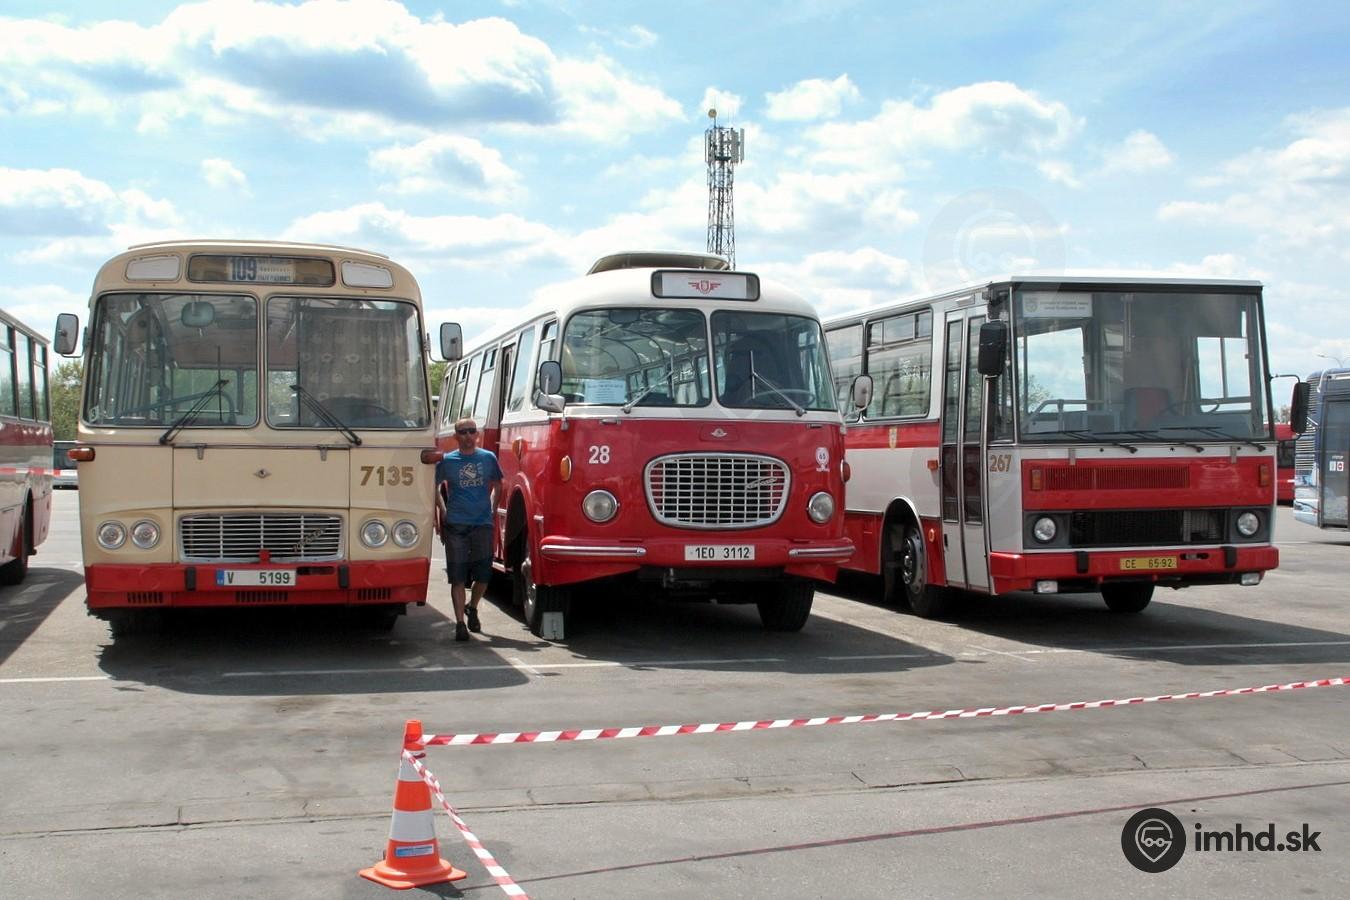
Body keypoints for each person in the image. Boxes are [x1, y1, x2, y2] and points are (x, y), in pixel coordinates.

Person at [434, 417, 503, 642]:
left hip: (482, 524)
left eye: (471, 431)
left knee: (484, 574)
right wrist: (443, 510)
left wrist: (492, 508)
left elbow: (498, 484)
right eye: (463, 432)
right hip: (456, 525)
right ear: (456, 436)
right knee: (457, 576)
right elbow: (434, 486)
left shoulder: (488, 458)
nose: (468, 436)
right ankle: (460, 624)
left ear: (477, 435)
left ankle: (472, 607)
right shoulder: (447, 461)